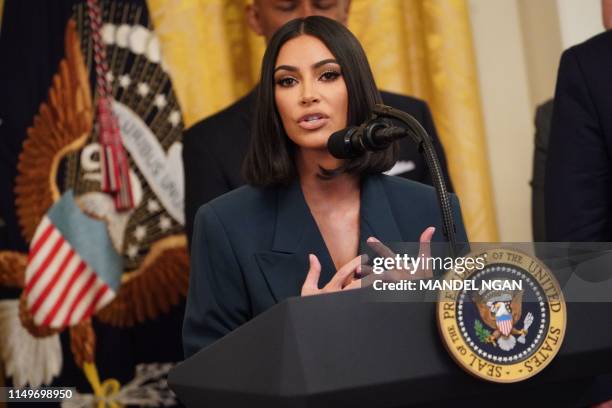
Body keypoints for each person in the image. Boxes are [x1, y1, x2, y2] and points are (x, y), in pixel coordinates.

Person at [182, 16, 467, 358]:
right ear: (272, 101)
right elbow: (207, 375)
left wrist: (426, 310)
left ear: (357, 89)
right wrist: (304, 329)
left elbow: (479, 349)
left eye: (328, 75)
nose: (307, 95)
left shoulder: (432, 208)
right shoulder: (224, 224)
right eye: (287, 81)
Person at [182, 0, 454, 247]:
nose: (306, 16)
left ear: (346, 9)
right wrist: (302, 305)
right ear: (255, 17)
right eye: (286, 7)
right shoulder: (209, 145)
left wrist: (417, 295)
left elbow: (455, 279)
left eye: (323, 4)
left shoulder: (406, 120)